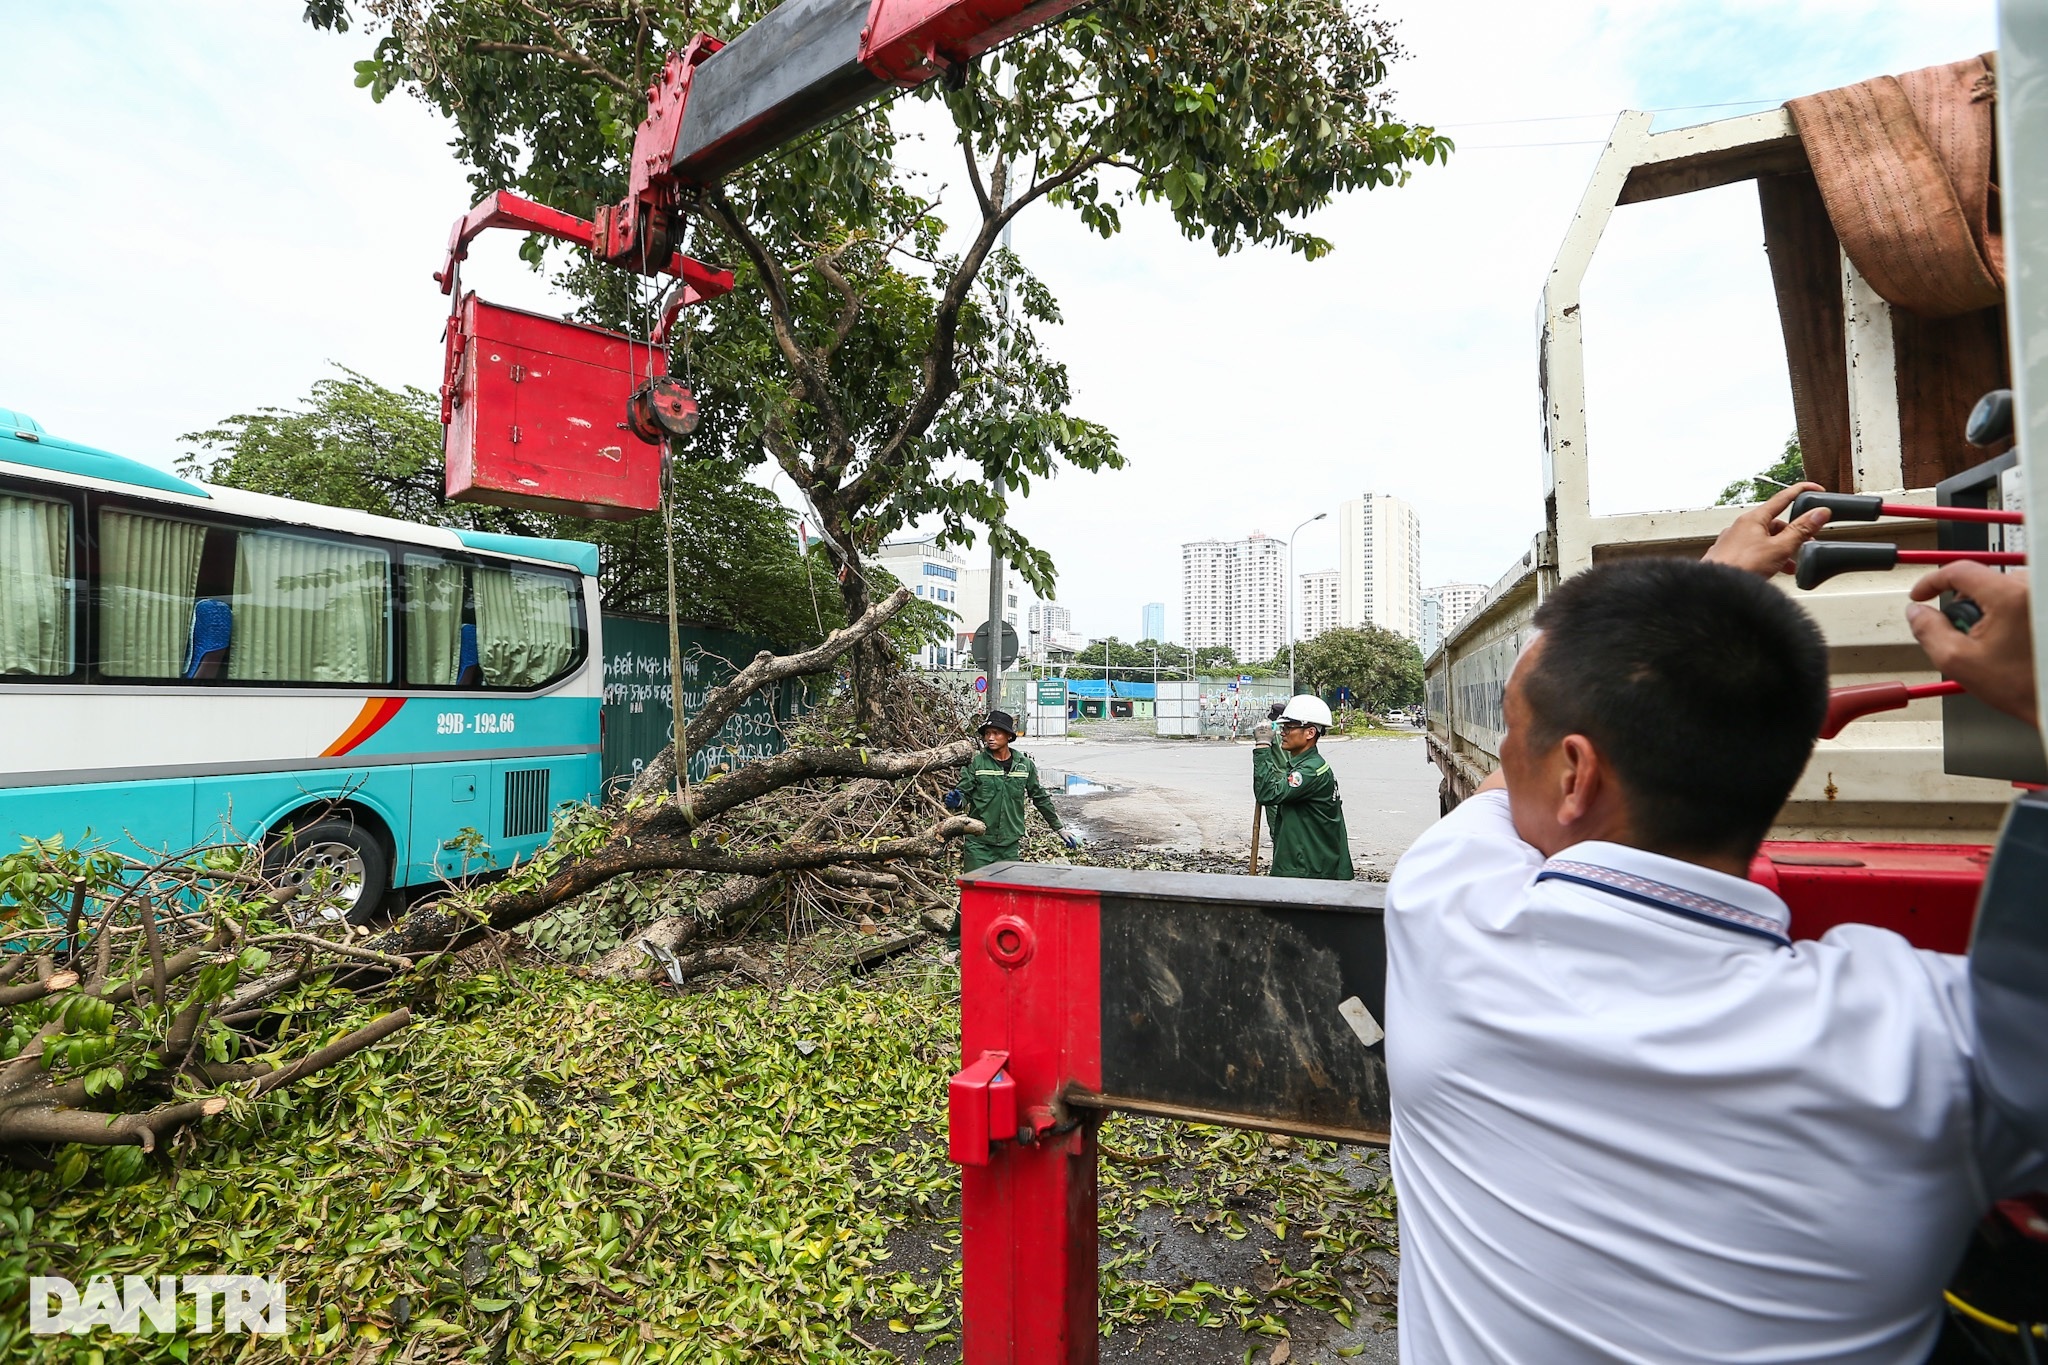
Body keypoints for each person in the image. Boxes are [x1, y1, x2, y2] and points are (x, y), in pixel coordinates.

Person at [1383, 485, 2046, 1364]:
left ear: (1576, 772)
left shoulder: (1448, 910)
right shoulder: (1928, 1044)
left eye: (1512, 731)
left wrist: (1705, 587)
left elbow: (1512, 791)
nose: (1504, 752)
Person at [945, 710, 1079, 871]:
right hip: (979, 845)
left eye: (996, 733)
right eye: (987, 733)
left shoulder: (1024, 766)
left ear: (1009, 736)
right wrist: (957, 800)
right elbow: (964, 793)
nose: (990, 738)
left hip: (1009, 846)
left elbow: (1040, 798)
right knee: (977, 890)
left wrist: (1060, 829)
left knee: (1007, 893)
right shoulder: (976, 764)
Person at [1251, 695, 1353, 880]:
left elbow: (1267, 794)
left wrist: (1262, 746)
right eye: (1283, 728)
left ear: (1310, 733)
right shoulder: (1306, 765)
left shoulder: (1309, 771)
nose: (1283, 733)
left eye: (1289, 728)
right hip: (1309, 865)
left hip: (1306, 869)